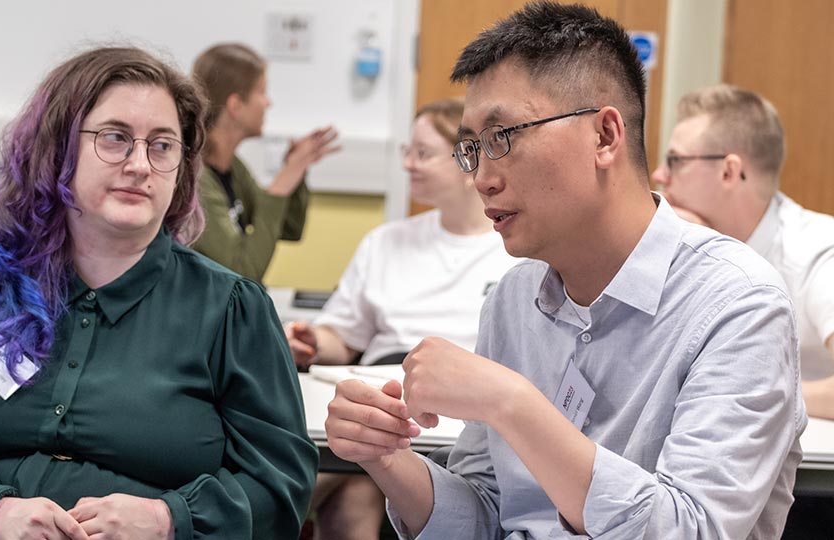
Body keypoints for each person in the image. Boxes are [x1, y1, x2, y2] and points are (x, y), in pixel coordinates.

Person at [324, 3, 804, 539]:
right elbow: (489, 513)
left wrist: (513, 405)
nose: (481, 177)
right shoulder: (514, 299)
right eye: (471, 148)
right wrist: (389, 459)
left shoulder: (738, 303)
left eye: (502, 137)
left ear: (604, 136)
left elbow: (692, 530)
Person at [0, 46, 316, 540]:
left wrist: (168, 518)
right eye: (115, 138)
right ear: (58, 147)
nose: (140, 164)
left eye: (163, 145)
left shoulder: (231, 309)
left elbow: (280, 484)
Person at [286, 98, 517, 540]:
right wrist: (313, 342)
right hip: (377, 404)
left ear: (468, 161)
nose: (408, 164)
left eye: (423, 153)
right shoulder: (386, 242)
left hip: (451, 425)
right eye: (405, 152)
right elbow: (342, 336)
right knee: (333, 494)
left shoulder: (513, 251)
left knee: (342, 492)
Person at [651, 84, 834, 421]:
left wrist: (750, 392)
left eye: (675, 160)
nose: (659, 175)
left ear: (729, 171)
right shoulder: (685, 239)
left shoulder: (817, 251)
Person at [188, 43, 340, 282]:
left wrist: (295, 171)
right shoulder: (195, 181)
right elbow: (243, 273)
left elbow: (289, 228)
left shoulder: (231, 166)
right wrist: (283, 180)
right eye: (262, 92)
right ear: (235, 105)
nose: (268, 103)